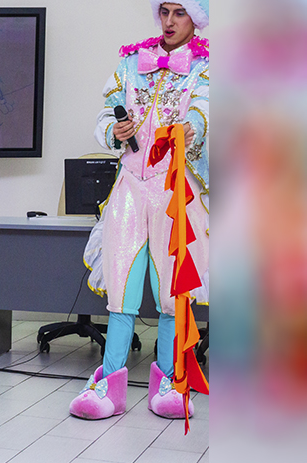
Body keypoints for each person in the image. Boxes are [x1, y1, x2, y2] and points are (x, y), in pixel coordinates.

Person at [73, 0, 209, 420]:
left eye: (179, 13)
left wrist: (194, 127)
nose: (169, 21)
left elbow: (208, 111)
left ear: (195, 18)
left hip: (175, 187)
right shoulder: (131, 62)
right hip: (130, 184)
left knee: (172, 290)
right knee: (121, 284)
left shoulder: (207, 67)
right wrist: (113, 129)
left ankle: (170, 380)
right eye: (164, 11)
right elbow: (104, 112)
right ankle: (109, 386)